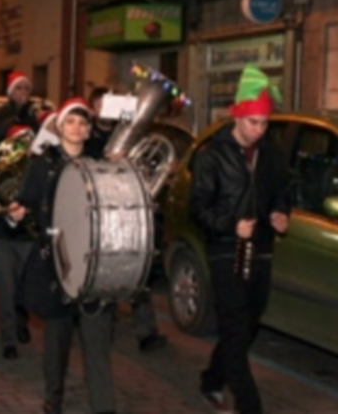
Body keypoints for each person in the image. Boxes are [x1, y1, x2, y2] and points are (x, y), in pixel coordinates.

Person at [190, 64, 290, 414]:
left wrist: (280, 213)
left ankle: (213, 379)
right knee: (234, 326)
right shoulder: (212, 157)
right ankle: (249, 406)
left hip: (260, 250)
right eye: (253, 123)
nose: (259, 130)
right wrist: (231, 226)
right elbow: (198, 209)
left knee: (247, 325)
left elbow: (280, 192)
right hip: (225, 251)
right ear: (237, 116)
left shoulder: (272, 154)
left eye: (264, 123)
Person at [8, 98, 117, 414]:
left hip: (94, 259)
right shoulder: (42, 163)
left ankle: (104, 406)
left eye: (83, 123)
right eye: (71, 121)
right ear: (59, 126)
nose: (77, 128)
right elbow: (25, 201)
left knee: (97, 337)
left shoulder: (98, 163)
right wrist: (17, 211)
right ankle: (52, 397)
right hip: (56, 258)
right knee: (57, 337)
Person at [85, 86, 168, 353]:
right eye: (100, 106)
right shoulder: (87, 136)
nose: (104, 111)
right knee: (104, 270)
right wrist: (106, 160)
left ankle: (147, 333)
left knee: (137, 269)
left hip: (129, 208)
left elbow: (148, 168)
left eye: (109, 104)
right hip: (100, 211)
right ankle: (100, 329)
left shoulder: (131, 133)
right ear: (93, 109)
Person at [0, 71, 38, 356]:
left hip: (27, 233)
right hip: (3, 233)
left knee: (26, 284)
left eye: (28, 87)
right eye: (20, 87)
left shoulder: (34, 166)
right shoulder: (0, 118)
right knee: (5, 286)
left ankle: (21, 322)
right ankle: (8, 339)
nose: (24, 91)